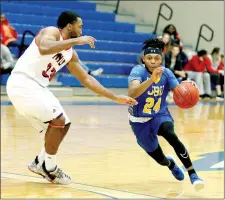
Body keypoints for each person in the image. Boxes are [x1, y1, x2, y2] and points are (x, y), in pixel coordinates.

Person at [6, 11, 137, 185]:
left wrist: (114, 97)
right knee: (57, 119)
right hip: (22, 82)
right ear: (69, 26)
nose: (82, 30)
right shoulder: (52, 32)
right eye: (79, 26)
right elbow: (44, 47)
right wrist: (76, 41)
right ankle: (50, 168)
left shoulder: (70, 54)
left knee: (65, 123)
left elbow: (86, 79)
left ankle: (40, 161)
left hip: (38, 87)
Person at [127, 38, 204, 191]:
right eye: (149, 58)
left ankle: (193, 174)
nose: (153, 61)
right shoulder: (137, 71)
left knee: (170, 133)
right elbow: (132, 93)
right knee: (160, 159)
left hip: (159, 114)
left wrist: (189, 87)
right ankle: (170, 164)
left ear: (161, 59)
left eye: (156, 58)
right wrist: (151, 80)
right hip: (139, 121)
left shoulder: (167, 73)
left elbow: (179, 90)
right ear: (144, 58)